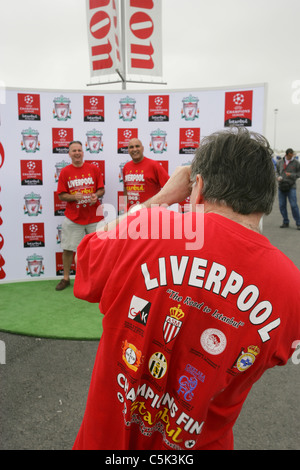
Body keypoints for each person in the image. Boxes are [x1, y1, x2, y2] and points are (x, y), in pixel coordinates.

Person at [72, 128, 300, 450]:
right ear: (267, 196)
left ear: (198, 188)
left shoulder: (146, 229)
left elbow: (87, 258)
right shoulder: (292, 286)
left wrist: (161, 199)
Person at [55, 141, 105, 291]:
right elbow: (61, 195)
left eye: (79, 150)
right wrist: (73, 197)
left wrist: (96, 195)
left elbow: (101, 190)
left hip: (94, 218)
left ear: (83, 152)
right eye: (74, 150)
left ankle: (99, 278)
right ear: (69, 154)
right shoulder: (65, 172)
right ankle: (65, 278)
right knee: (68, 249)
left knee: (99, 249)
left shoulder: (94, 169)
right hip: (73, 218)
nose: (77, 153)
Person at [123, 138, 169, 210]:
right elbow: (126, 188)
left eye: (137, 146)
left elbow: (168, 186)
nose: (134, 149)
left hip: (151, 211)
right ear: (128, 150)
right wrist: (125, 207)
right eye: (131, 147)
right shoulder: (126, 167)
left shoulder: (154, 165)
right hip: (132, 212)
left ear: (143, 148)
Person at [276, 148, 300, 229]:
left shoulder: (296, 163)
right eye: (290, 155)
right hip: (281, 186)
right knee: (282, 205)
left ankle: (298, 223)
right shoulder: (279, 162)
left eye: (292, 155)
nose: (292, 157)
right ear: (286, 155)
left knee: (294, 205)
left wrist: (292, 175)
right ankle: (285, 221)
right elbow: (276, 172)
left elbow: (299, 173)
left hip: (291, 186)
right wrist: (277, 177)